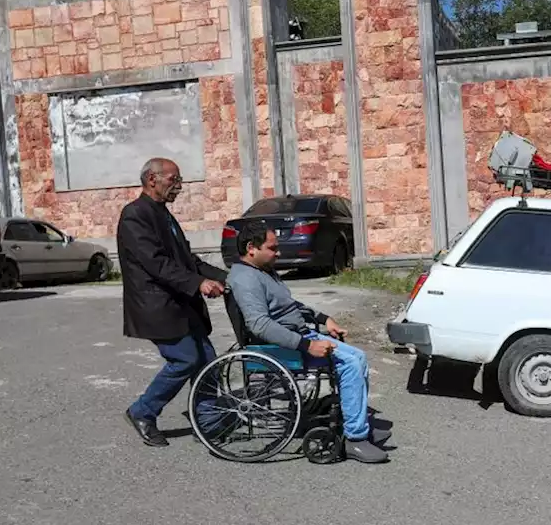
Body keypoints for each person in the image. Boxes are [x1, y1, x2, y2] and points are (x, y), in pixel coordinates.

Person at [226, 220, 391, 464]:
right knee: (350, 365)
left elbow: (290, 307)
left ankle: (356, 423)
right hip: (280, 348)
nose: (278, 252)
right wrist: (307, 345)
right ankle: (355, 440)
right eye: (273, 248)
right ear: (252, 247)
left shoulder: (264, 271)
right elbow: (259, 324)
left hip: (299, 335)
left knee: (358, 357)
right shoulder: (245, 279)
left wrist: (325, 319)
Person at [117, 157, 229, 447]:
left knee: (207, 361)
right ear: (152, 179)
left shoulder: (163, 213)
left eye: (179, 180)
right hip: (158, 306)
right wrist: (198, 283)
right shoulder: (135, 215)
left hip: (180, 303)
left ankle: (208, 420)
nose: (178, 186)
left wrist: (228, 277)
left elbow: (186, 260)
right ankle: (142, 411)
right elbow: (157, 264)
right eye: (173, 179)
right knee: (185, 359)